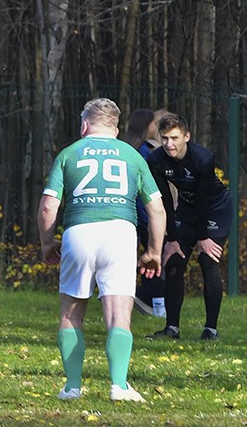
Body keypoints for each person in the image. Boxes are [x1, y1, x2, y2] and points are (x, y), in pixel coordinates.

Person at [38, 98, 165, 403]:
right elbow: (157, 208)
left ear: (84, 125)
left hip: (79, 231)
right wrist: (154, 251)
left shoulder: (69, 153)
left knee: (71, 313)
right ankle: (119, 386)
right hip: (120, 233)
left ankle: (72, 387)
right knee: (119, 315)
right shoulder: (132, 155)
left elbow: (48, 206)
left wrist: (47, 243)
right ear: (116, 128)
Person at [145, 113, 234, 341]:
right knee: (174, 260)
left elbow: (203, 200)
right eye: (165, 138)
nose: (169, 144)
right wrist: (172, 239)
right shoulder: (155, 160)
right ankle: (171, 328)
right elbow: (165, 200)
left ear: (186, 136)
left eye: (174, 138)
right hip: (186, 209)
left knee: (207, 259)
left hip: (215, 208)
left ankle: (210, 330)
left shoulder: (203, 158)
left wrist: (203, 237)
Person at [124, 109, 166, 318]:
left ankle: (143, 298)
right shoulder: (144, 153)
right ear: (146, 126)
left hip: (131, 214)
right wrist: (149, 218)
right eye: (153, 124)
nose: (155, 127)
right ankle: (156, 304)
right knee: (155, 258)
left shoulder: (127, 149)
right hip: (144, 215)